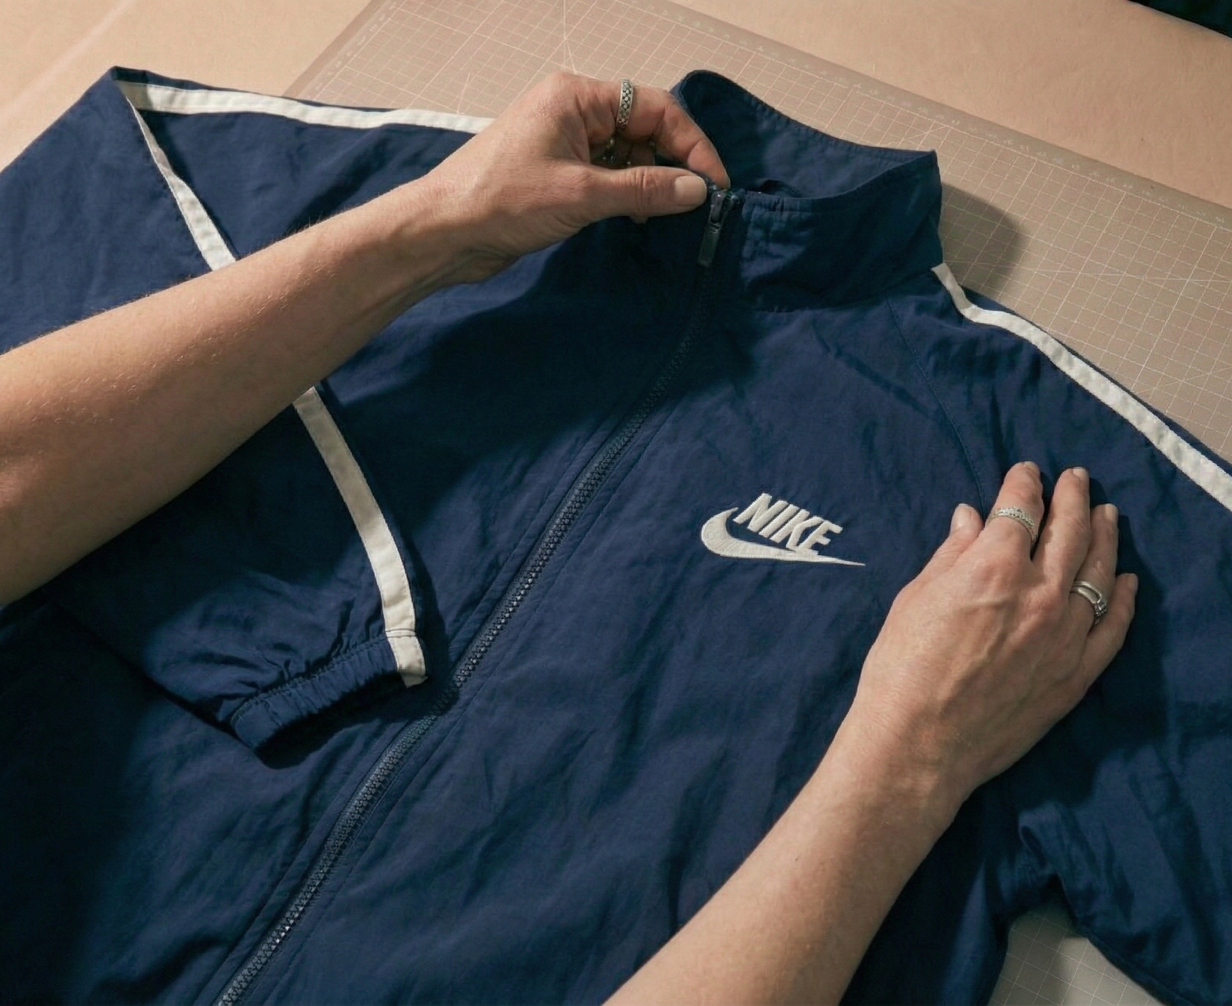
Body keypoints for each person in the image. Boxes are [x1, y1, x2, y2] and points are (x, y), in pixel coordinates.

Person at [0, 71, 1136, 1002]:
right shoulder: (1028, 486)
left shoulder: (314, 179)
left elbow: (52, 243)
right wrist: (909, 763)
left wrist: (429, 230)